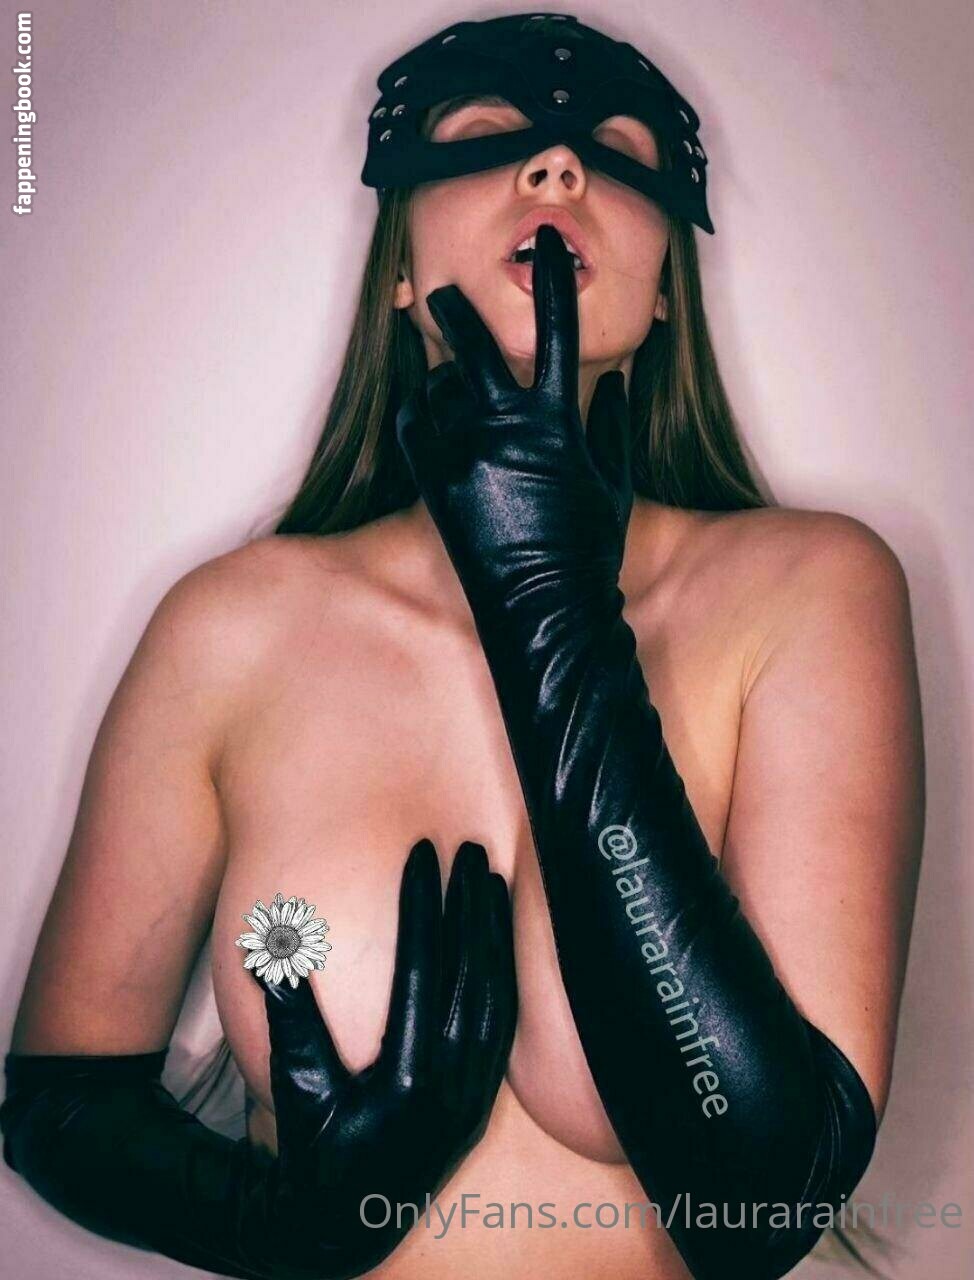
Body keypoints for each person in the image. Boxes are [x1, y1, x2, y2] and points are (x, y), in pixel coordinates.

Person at [1, 12, 924, 1280]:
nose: (556, 168)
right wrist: (288, 1223)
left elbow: (762, 1195)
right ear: (396, 268)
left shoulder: (808, 589)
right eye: (487, 134)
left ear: (666, 291)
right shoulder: (228, 628)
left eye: (617, 150)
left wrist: (544, 591)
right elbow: (60, 1104)